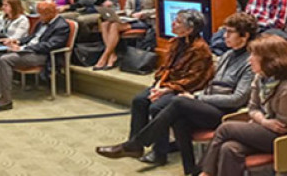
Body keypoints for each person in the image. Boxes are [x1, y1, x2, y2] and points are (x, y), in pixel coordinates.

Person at [97, 13, 257, 175]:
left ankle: (135, 144)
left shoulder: (250, 62)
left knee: (179, 102)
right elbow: (210, 86)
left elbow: (237, 99)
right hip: (208, 104)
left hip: (227, 112)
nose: (224, 36)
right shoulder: (227, 55)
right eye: (225, 31)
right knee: (178, 116)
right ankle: (190, 170)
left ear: (245, 36)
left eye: (230, 32)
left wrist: (195, 97)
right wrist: (165, 87)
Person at [103, 9, 214, 165]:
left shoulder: (200, 49)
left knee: (157, 107)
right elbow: (164, 68)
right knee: (139, 100)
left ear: (190, 29)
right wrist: (157, 85)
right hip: (166, 85)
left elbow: (193, 79)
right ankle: (135, 145)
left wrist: (166, 89)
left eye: (178, 22)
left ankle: (159, 153)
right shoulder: (175, 42)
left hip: (185, 90)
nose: (173, 24)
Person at [199, 34, 287, 176]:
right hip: (267, 129)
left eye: (254, 55)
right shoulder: (261, 77)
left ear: (270, 60)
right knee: (229, 148)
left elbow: (283, 126)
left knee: (226, 128)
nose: (249, 60)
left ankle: (205, 173)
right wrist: (264, 121)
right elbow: (253, 108)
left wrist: (260, 120)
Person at [0, 1, 70, 112]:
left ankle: (5, 101)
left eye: (42, 14)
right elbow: (32, 37)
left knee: (5, 60)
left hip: (41, 55)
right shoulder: (42, 22)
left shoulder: (61, 26)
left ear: (51, 13)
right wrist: (17, 41)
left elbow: (49, 46)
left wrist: (22, 49)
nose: (39, 17)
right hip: (28, 50)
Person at [94, 0, 155, 70]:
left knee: (114, 26)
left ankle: (105, 56)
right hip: (131, 18)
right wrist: (131, 13)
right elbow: (127, 7)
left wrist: (142, 13)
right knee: (105, 24)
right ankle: (112, 55)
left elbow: (157, 9)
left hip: (146, 20)